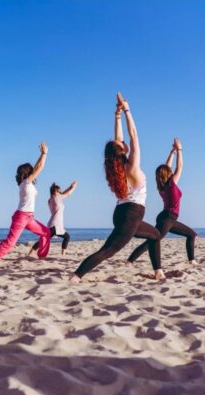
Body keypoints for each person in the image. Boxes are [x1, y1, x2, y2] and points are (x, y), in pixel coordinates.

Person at [71, 93, 165, 282]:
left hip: (123, 213)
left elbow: (120, 137)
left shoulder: (116, 167)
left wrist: (117, 115)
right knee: (108, 250)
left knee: (155, 235)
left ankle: (158, 272)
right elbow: (133, 135)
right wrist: (128, 110)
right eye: (119, 144)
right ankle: (76, 276)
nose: (120, 140)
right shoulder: (132, 167)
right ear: (121, 150)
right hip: (131, 215)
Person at [128, 138, 197, 265]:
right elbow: (179, 166)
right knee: (153, 240)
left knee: (191, 234)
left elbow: (167, 167)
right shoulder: (171, 184)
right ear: (167, 175)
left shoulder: (161, 186)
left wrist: (172, 153)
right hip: (168, 218)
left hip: (169, 218)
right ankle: (130, 260)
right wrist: (180, 149)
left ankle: (192, 260)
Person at [0, 143, 52, 262]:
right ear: (27, 173)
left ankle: (42, 256)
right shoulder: (25, 183)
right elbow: (39, 167)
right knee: (10, 243)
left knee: (46, 232)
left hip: (29, 217)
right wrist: (44, 154)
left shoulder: (27, 184)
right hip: (21, 217)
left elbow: (36, 168)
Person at [28, 180, 78, 256]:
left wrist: (70, 187)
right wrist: (73, 187)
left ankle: (30, 253)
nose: (60, 192)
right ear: (55, 192)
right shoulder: (58, 198)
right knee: (66, 237)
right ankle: (63, 254)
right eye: (59, 191)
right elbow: (68, 193)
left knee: (44, 239)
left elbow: (63, 193)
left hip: (52, 223)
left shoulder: (50, 200)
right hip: (56, 224)